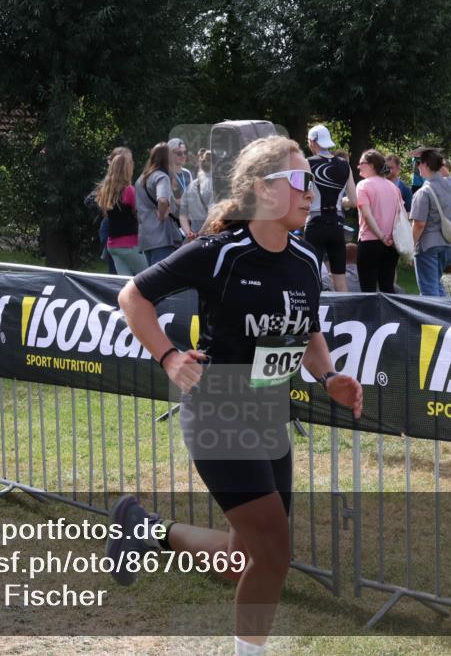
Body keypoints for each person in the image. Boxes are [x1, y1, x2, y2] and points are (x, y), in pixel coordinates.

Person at [112, 135, 363, 656]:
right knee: (274, 553)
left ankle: (146, 529)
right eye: (299, 182)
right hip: (218, 412)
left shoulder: (304, 260)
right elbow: (132, 295)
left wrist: (329, 375)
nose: (311, 193)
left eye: (312, 183)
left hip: (270, 414)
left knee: (242, 558)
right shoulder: (220, 251)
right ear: (262, 190)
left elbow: (308, 331)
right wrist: (169, 355)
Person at [409, 147, 451, 297]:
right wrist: (435, 157)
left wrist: (410, 247)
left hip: (427, 245)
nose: (417, 166)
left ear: (426, 165)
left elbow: (419, 224)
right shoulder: (450, 185)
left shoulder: (423, 192)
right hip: (445, 243)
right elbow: (446, 174)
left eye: (419, 162)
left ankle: (432, 321)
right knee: (437, 287)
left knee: (429, 291)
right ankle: (443, 318)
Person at [305, 124, 356, 292]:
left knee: (311, 276)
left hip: (315, 224)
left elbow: (301, 195)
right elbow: (354, 201)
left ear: (312, 142)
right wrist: (339, 202)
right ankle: (346, 316)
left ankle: (313, 316)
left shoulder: (307, 164)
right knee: (340, 279)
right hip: (337, 225)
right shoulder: (344, 165)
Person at [91, 153, 148, 276]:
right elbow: (141, 215)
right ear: (126, 169)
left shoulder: (106, 190)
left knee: (125, 283)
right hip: (129, 244)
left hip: (113, 245)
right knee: (149, 278)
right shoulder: (129, 191)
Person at [355, 149, 403, 293]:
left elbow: (367, 216)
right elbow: (399, 216)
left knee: (368, 289)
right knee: (388, 288)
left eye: (361, 163)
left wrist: (381, 236)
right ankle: (390, 316)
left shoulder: (363, 185)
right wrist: (389, 238)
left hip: (370, 242)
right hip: (391, 244)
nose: (358, 166)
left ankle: (370, 316)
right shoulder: (393, 187)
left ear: (371, 165)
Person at [136, 142, 183, 266]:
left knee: (152, 278)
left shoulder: (141, 178)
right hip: (161, 237)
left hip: (146, 236)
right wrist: (162, 215)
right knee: (162, 278)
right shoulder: (162, 177)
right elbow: (162, 200)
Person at [180, 148, 213, 239]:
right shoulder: (215, 187)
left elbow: (182, 215)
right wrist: (200, 234)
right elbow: (212, 216)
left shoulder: (190, 187)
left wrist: (189, 233)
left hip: (194, 239)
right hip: (211, 237)